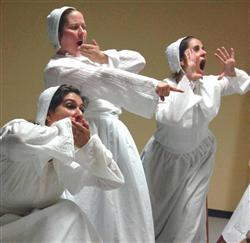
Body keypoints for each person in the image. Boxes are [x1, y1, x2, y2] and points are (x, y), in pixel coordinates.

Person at [44, 6, 182, 243]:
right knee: (93, 197)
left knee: (126, 198)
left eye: (84, 26)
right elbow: (105, 79)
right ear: (58, 34)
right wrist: (152, 86)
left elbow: (138, 59)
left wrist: (105, 57)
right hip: (87, 131)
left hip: (113, 131)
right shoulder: (58, 68)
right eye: (74, 27)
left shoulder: (89, 61)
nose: (82, 32)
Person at [141, 36, 250, 243]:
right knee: (156, 218)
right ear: (181, 60)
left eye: (203, 48)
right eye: (196, 49)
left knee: (190, 218)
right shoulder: (166, 87)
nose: (203, 52)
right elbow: (171, 117)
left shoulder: (210, 83)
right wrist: (187, 79)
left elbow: (242, 84)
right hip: (164, 163)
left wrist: (232, 71)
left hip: (199, 160)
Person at [0, 84, 124, 243]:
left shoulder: (66, 159)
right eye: (71, 106)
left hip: (38, 228)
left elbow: (112, 180)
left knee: (68, 211)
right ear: (48, 114)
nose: (79, 113)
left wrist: (88, 145)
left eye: (82, 109)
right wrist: (66, 131)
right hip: (4, 225)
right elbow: (17, 141)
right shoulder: (18, 130)